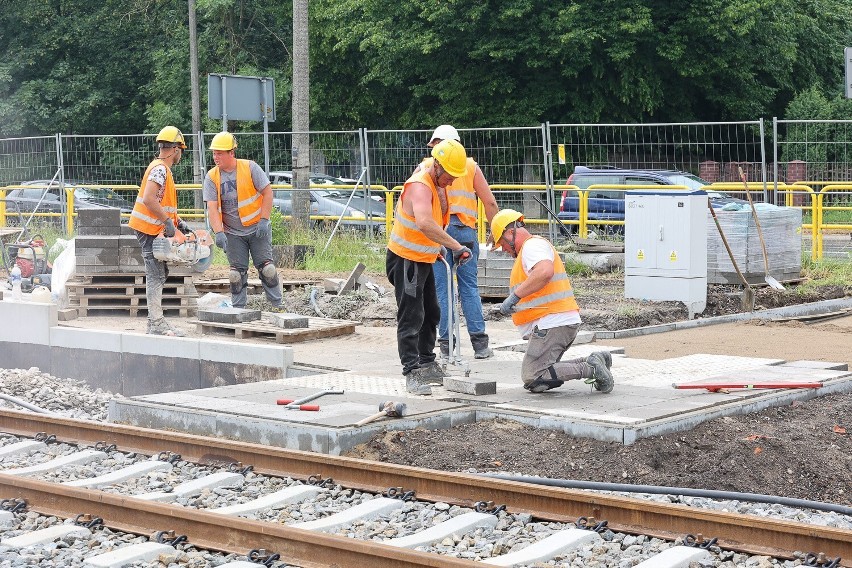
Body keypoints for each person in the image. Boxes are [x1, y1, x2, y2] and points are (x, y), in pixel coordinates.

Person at [490, 208, 614, 394]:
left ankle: (591, 368)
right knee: (540, 382)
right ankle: (595, 360)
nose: (504, 249)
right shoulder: (530, 248)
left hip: (553, 322)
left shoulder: (532, 246)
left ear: (510, 232)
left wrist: (514, 297)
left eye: (502, 243)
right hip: (556, 322)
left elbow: (544, 272)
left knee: (533, 376)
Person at [387, 139, 474, 395]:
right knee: (411, 315)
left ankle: (426, 362)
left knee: (431, 312)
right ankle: (411, 372)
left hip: (422, 258)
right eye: (450, 174)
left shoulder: (438, 186)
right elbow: (425, 223)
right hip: (406, 260)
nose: (453, 180)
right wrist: (455, 246)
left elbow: (433, 224)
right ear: (437, 165)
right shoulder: (420, 186)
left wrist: (436, 248)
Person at [423, 125, 499, 360]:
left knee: (443, 291)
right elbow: (490, 203)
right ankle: (480, 345)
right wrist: (495, 230)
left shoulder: (427, 167)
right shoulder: (471, 166)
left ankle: (447, 345)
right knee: (469, 289)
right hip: (466, 234)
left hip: (440, 235)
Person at [203, 131, 282, 309]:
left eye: (220, 153)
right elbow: (212, 208)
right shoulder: (212, 177)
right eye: (214, 153)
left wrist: (264, 219)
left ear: (232, 152)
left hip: (257, 229)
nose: (216, 157)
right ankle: (238, 310)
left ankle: (278, 306)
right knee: (236, 275)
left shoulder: (250, 167)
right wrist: (219, 232)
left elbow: (268, 192)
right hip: (232, 233)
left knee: (267, 270)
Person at [128, 125, 190, 337]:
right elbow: (149, 199)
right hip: (149, 229)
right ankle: (156, 323)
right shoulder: (160, 169)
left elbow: (160, 202)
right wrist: (167, 222)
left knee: (159, 272)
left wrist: (177, 221)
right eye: (180, 149)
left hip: (151, 228)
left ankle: (154, 322)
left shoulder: (160, 169)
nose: (181, 153)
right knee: (155, 274)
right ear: (174, 149)